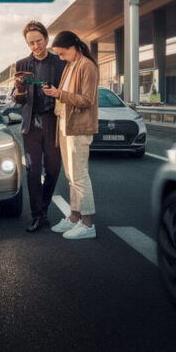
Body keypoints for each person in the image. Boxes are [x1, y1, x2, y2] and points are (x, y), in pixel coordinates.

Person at [42, 30, 99, 240]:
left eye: (62, 53)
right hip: (65, 125)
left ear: (73, 47)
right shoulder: (70, 65)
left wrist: (59, 94)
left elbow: (87, 100)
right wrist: (56, 93)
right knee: (71, 176)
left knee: (79, 176)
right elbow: (67, 96)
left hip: (78, 127)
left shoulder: (87, 66)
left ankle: (88, 224)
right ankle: (74, 218)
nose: (60, 58)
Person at [13, 21, 66, 232]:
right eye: (31, 43)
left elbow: (68, 91)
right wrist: (18, 92)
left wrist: (57, 93)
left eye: (39, 41)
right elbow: (17, 99)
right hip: (31, 124)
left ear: (46, 39)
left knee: (53, 170)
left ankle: (43, 208)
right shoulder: (21, 64)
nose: (36, 46)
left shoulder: (61, 63)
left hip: (54, 122)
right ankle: (38, 215)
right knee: (33, 171)